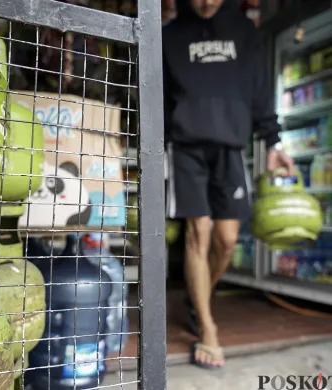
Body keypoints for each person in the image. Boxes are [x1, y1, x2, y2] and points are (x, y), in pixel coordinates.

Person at [162, 0, 294, 369]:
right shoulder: (169, 37)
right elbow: (157, 97)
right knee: (197, 233)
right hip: (185, 147)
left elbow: (260, 92)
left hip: (231, 146)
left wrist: (274, 143)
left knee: (227, 240)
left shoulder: (244, 33)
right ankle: (208, 327)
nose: (206, 2)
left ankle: (196, 296)